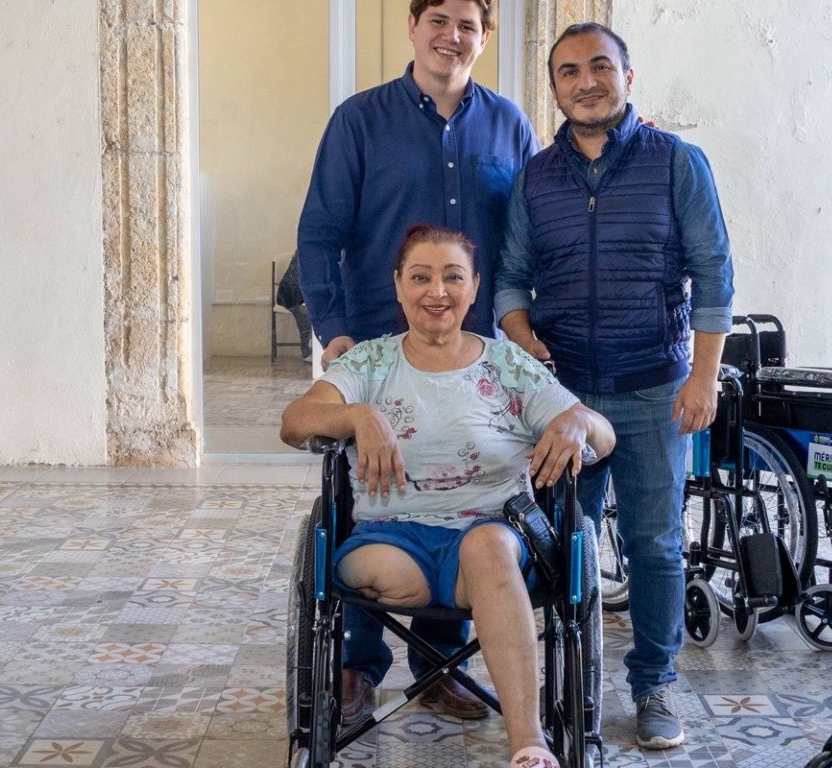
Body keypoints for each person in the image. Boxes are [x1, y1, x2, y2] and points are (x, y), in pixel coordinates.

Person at [281, 224, 615, 768]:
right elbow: (295, 421)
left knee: (487, 548)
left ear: (474, 287)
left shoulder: (508, 365)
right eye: (420, 277)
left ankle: (529, 744)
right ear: (398, 285)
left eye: (453, 277)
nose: (437, 291)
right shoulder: (369, 364)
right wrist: (358, 415)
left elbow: (604, 435)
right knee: (389, 562)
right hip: (392, 543)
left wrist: (577, 422)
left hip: (492, 544)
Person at [294, 0, 538, 725]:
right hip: (376, 349)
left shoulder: (510, 126)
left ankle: (439, 667)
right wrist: (335, 332)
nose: (450, 36)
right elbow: (320, 233)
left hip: (474, 356)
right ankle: (358, 667)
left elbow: (528, 235)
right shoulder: (359, 121)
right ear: (413, 26)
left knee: (463, 491)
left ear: (485, 35)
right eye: (437, 19)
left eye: (466, 24)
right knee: (369, 497)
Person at [495, 23, 734, 750]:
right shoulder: (535, 178)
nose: (586, 82)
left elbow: (714, 273)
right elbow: (510, 278)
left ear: (628, 76)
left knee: (654, 544)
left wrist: (703, 377)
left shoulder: (677, 163)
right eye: (569, 71)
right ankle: (567, 677)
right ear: (554, 87)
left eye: (600, 66)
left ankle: (654, 684)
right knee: (561, 544)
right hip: (564, 398)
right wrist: (522, 337)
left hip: (654, 390)